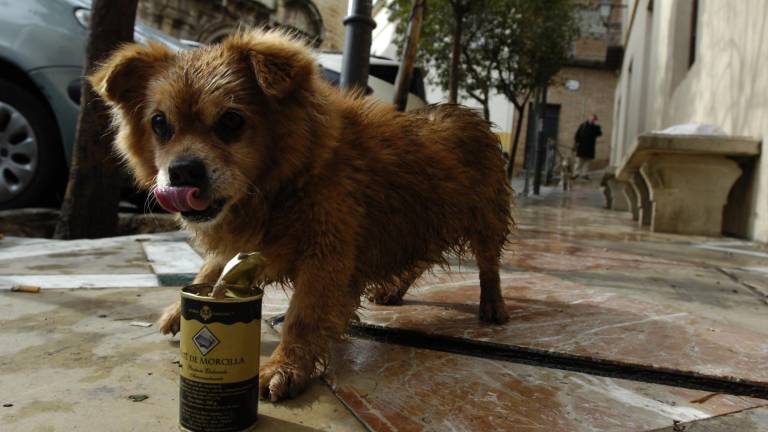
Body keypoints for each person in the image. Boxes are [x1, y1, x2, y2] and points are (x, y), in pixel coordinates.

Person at [573, 114, 602, 179]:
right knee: (579, 161)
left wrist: (597, 126)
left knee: (587, 162)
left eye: (594, 119)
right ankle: (576, 173)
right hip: (581, 147)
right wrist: (577, 143)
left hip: (590, 148)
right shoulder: (583, 126)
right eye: (591, 118)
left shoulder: (595, 127)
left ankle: (584, 174)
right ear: (588, 118)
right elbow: (577, 135)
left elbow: (599, 134)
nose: (592, 120)